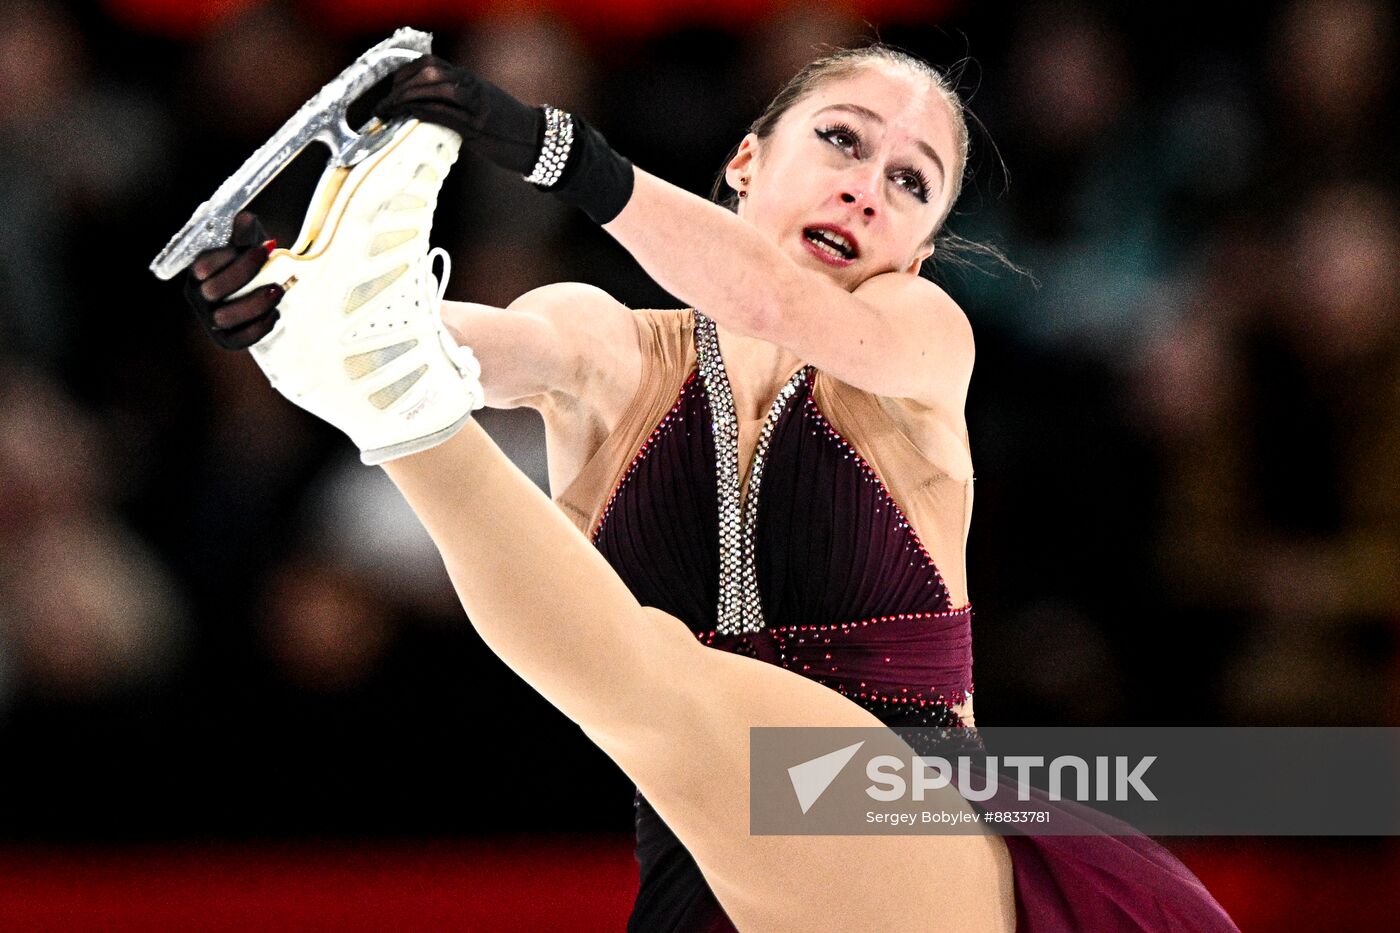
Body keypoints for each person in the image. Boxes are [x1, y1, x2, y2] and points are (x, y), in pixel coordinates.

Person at [183, 44, 1238, 931]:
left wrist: (573, 161)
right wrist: (293, 306)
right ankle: (370, 379)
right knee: (654, 682)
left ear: (916, 255)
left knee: (665, 681)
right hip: (695, 872)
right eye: (841, 139)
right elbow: (483, 347)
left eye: (909, 183)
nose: (866, 186)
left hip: (904, 830)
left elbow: (771, 300)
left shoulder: (917, 345)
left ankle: (387, 406)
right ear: (744, 161)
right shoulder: (606, 346)